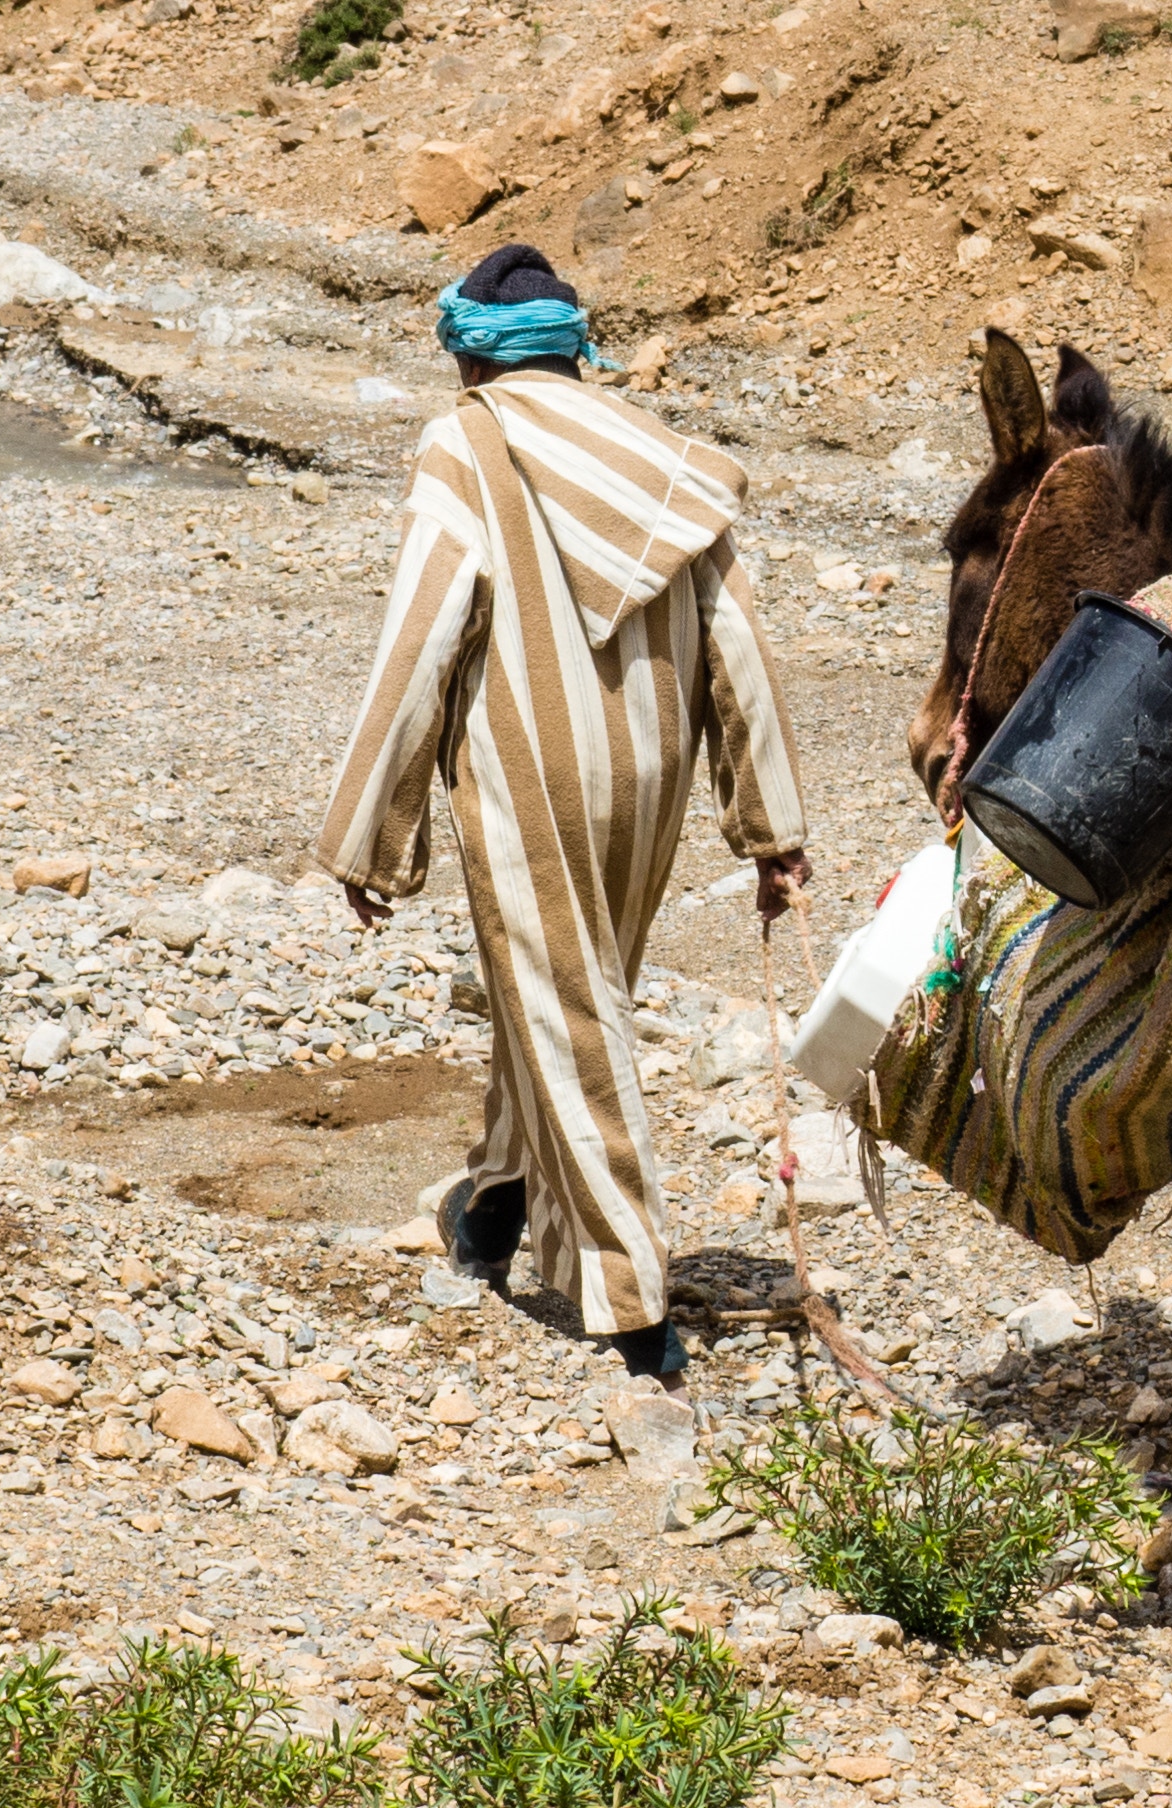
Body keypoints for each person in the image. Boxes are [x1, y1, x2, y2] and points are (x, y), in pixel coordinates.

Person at [314, 244, 810, 1392]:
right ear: (575, 350)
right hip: (654, 771)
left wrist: (371, 835)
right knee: (563, 992)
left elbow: (423, 633)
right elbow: (736, 642)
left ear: (466, 357)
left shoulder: (465, 443)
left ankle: (634, 1308)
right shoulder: (665, 460)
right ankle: (493, 1207)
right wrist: (768, 823)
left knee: (570, 1011)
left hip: (528, 765)